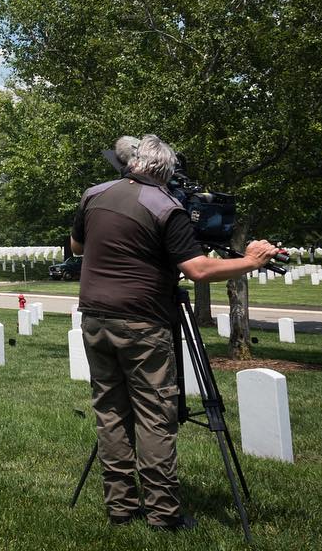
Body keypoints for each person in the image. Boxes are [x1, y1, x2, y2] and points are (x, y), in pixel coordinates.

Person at [71, 134, 280, 532]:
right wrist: (251, 261)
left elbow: (77, 246)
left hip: (94, 318)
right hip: (142, 322)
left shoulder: (93, 194)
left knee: (111, 412)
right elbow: (198, 269)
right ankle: (164, 513)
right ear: (166, 172)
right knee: (154, 415)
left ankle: (120, 507)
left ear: (132, 164)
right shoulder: (166, 207)